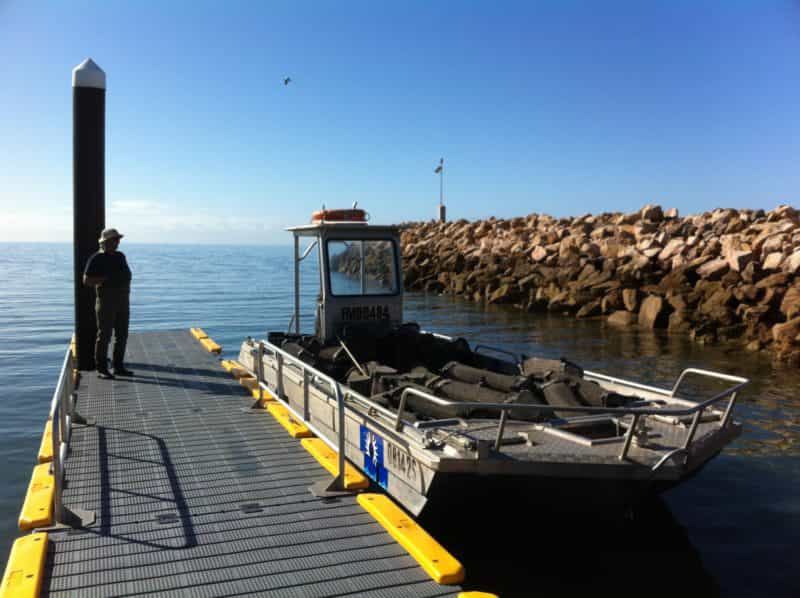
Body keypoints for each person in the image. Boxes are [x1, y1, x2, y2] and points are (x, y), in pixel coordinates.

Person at [83, 228, 133, 379]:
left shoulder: (120, 256)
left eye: (118, 239)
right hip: (106, 302)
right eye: (114, 240)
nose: (117, 242)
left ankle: (118, 367)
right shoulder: (96, 259)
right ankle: (102, 369)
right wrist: (104, 279)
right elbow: (86, 280)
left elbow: (126, 274)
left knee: (122, 334)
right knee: (104, 335)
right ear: (105, 242)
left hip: (123, 300)